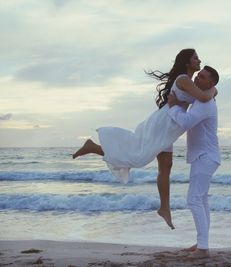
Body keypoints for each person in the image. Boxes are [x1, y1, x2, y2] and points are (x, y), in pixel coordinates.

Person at [72, 49, 216, 230]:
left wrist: (211, 89)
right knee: (138, 156)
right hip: (164, 124)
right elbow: (205, 96)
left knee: (165, 168)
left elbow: (210, 92)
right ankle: (94, 147)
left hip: (171, 126)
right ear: (187, 62)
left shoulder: (187, 80)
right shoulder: (183, 80)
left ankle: (164, 208)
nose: (199, 60)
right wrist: (212, 89)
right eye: (195, 58)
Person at [167, 65, 221, 258]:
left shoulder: (205, 104)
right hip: (205, 156)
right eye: (197, 75)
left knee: (194, 199)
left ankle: (203, 249)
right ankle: (202, 243)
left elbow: (187, 121)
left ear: (210, 83)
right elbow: (212, 92)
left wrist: (173, 107)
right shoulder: (203, 98)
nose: (197, 79)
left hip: (205, 156)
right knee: (202, 200)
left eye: (202, 77)